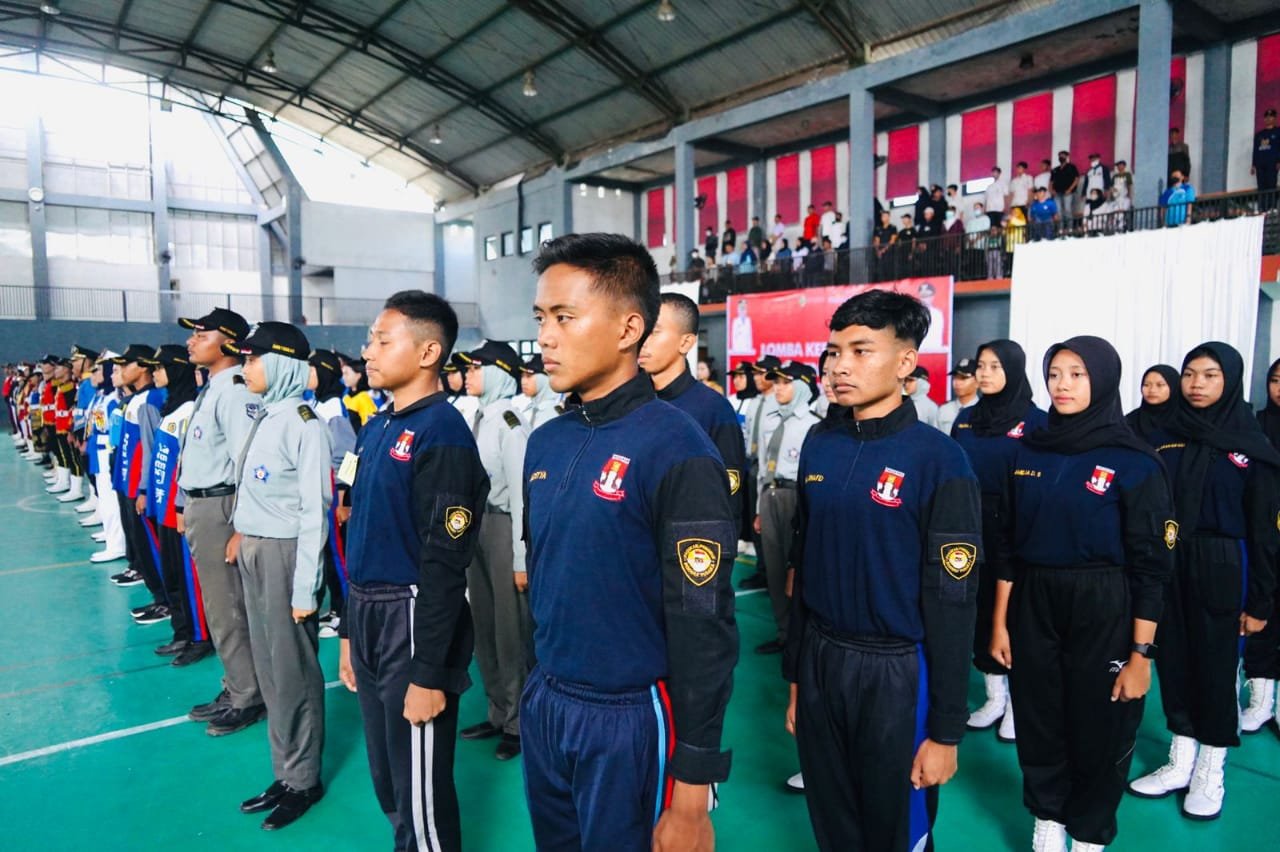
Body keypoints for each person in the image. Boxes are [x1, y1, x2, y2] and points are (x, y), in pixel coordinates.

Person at [523, 233, 738, 851]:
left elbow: (706, 625)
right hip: (549, 701)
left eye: (565, 317)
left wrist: (693, 783)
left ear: (627, 329)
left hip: (630, 714)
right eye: (542, 317)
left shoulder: (678, 448)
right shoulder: (548, 441)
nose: (546, 336)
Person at [784, 289, 980, 851]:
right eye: (834, 350)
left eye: (861, 350)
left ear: (905, 362)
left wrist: (944, 730)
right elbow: (804, 566)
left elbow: (953, 604)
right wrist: (797, 679)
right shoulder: (820, 443)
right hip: (822, 661)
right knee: (834, 823)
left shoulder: (940, 462)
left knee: (897, 830)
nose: (840, 366)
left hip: (897, 673)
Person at [991, 336, 1174, 852]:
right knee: (1038, 715)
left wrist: (1141, 655)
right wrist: (1001, 621)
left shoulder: (1134, 460)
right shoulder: (1028, 449)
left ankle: (1090, 832)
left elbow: (1152, 568)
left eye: (1077, 374)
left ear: (1103, 380)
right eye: (1055, 374)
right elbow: (1006, 546)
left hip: (1105, 602)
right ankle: (1048, 819)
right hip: (1034, 599)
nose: (1063, 385)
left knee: (1100, 723)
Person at [337, 291, 487, 852]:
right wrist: (351, 631)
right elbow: (364, 536)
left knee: (420, 788)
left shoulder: (443, 434)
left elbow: (445, 564)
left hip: (412, 616)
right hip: (369, 614)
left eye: (382, 339)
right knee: (390, 782)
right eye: (371, 340)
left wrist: (429, 673)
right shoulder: (376, 426)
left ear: (428, 352)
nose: (368, 351)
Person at [1128, 342, 1280, 820]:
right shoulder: (1167, 435)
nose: (1196, 384)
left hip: (1223, 562)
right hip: (1173, 561)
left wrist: (1260, 602)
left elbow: (1264, 530)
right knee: (1174, 664)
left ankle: (1210, 770)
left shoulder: (1251, 444)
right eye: (1190, 374)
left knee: (1215, 672)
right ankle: (1180, 760)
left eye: (1210, 376)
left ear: (1230, 381)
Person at [225, 321, 331, 831]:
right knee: (270, 668)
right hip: (255, 548)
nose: (245, 368)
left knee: (294, 670)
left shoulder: (304, 422)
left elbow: (316, 511)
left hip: (287, 555)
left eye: (252, 359)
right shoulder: (268, 416)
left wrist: (305, 587)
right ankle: (285, 771)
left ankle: (305, 779)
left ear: (284, 362)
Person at [177, 308, 267, 736]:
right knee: (219, 605)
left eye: (201, 333)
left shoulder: (234, 391)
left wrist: (241, 526)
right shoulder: (212, 389)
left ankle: (247, 695)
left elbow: (246, 462)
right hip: (203, 506)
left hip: (221, 508)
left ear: (227, 341)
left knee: (228, 607)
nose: (192, 341)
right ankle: (236, 683)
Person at [952, 340, 1047, 744]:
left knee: (1015, 619)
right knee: (978, 611)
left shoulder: (1038, 422)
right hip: (972, 528)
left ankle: (1017, 704)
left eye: (995, 366)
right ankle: (994, 696)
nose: (985, 374)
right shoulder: (966, 420)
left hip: (1020, 531)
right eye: (981, 366)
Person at [457, 340, 531, 762]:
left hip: (504, 527)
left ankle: (519, 721)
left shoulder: (509, 423)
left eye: (475, 368)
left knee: (510, 630)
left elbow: (522, 496)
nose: (467, 374)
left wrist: (521, 558)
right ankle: (497, 711)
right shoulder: (480, 417)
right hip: (479, 526)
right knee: (484, 624)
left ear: (499, 371)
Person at [640, 292, 746, 537]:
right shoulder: (631, 404)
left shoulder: (713, 409)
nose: (643, 341)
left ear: (686, 343)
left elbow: (728, 497)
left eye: (654, 331)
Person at [147, 344, 214, 667]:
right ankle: (182, 630)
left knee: (189, 576)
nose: (155, 374)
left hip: (180, 508)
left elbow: (189, 464)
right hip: (164, 506)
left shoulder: (189, 411)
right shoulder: (171, 409)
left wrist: (181, 505)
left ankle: (200, 635)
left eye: (159, 368)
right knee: (173, 572)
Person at [754, 361, 819, 655]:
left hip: (795, 498)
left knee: (799, 570)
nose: (777, 388)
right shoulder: (770, 419)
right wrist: (758, 507)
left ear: (803, 387)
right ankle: (784, 633)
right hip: (770, 495)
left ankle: (803, 636)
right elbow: (761, 469)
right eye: (775, 383)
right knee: (775, 571)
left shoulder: (813, 425)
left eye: (784, 383)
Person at [111, 345, 169, 622]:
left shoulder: (150, 400)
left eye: (127, 365)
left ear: (143, 367)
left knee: (153, 547)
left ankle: (165, 600)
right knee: (141, 545)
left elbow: (149, 448)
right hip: (129, 485)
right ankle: (159, 596)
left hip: (140, 488)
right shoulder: (134, 400)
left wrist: (144, 489)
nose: (121, 371)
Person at [307, 350, 359, 639]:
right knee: (327, 555)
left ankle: (345, 612)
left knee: (339, 556)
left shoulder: (334, 410)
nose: (308, 375)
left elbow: (349, 457)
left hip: (333, 493)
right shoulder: (317, 403)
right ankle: (337, 608)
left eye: (312, 370)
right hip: (319, 490)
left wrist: (343, 499)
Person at [1242, 356, 1280, 731]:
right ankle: (1261, 699)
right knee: (1262, 612)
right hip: (1263, 532)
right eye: (1275, 380)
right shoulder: (1256, 428)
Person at [85, 352, 128, 564]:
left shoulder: (113, 400)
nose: (100, 374)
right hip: (98, 450)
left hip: (107, 450)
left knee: (111, 501)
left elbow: (113, 431)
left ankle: (117, 544)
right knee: (105, 498)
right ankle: (111, 534)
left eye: (101, 369)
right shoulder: (103, 396)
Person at [1124, 365, 1181, 446]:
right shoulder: (1130, 421)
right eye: (1146, 385)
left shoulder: (1184, 420)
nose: (1152, 390)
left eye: (1160, 385)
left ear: (1173, 386)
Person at [937, 357, 979, 436]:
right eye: (955, 378)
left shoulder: (984, 411)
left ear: (977, 382)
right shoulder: (944, 410)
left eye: (963, 378)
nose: (957, 383)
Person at [520, 354, 562, 430]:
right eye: (522, 376)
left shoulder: (552, 414)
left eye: (529, 376)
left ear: (544, 378)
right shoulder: (528, 408)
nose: (523, 382)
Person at [340, 355, 380, 425]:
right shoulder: (346, 397)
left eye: (346, 373)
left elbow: (370, 424)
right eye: (343, 374)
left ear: (358, 375)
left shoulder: (364, 397)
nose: (343, 377)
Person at [904, 365, 940, 430]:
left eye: (910, 380)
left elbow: (936, 434)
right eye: (905, 380)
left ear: (921, 383)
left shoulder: (931, 407)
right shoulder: (899, 403)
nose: (906, 384)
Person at [1252, 108, 1279, 192]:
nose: (1268, 118)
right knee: (1261, 187)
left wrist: (1279, 161)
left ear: (1275, 118)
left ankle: (1271, 205)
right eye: (1266, 117)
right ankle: (1262, 205)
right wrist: (1253, 164)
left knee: (1271, 186)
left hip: (1272, 163)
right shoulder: (1259, 134)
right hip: (1260, 164)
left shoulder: (1278, 132)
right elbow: (1255, 150)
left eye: (1271, 116)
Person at [1050, 151, 1080, 226]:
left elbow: (1076, 179)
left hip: (1068, 192)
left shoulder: (1071, 167)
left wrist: (1070, 189)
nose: (1061, 157)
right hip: (1057, 193)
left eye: (1063, 156)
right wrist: (1051, 190)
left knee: (1068, 210)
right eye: (1060, 156)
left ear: (1067, 157)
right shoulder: (1055, 169)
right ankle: (1061, 229)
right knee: (1059, 211)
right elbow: (1051, 182)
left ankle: (1070, 229)